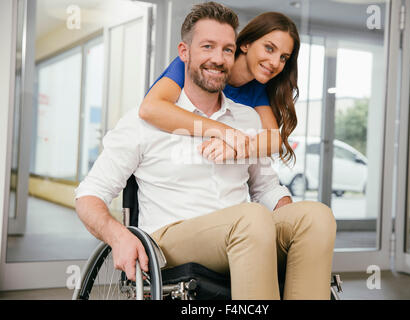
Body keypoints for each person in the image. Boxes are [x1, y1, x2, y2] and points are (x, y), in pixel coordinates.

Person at [75, 2, 336, 300]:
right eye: (208, 46)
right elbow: (88, 195)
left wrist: (291, 222)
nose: (218, 58)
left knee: (316, 216)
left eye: (227, 49)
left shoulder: (247, 118)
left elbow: (266, 187)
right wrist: (118, 235)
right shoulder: (144, 119)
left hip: (248, 231)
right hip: (172, 239)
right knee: (250, 219)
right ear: (184, 53)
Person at [138, 8, 300, 164]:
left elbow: (273, 139)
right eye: (269, 48)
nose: (275, 63)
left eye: (283, 58)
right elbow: (150, 108)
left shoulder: (256, 89)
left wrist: (234, 149)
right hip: (165, 159)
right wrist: (224, 131)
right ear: (246, 44)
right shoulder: (193, 65)